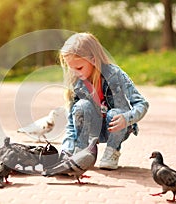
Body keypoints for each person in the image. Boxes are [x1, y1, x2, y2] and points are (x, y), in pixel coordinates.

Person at [59, 32, 149, 170]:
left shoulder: (115, 74)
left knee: (115, 113)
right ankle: (81, 153)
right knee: (81, 106)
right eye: (70, 68)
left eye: (78, 68)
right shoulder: (76, 82)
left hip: (114, 127)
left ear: (93, 60)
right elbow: (72, 123)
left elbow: (142, 103)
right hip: (90, 130)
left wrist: (127, 118)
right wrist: (66, 151)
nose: (74, 72)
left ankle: (112, 152)